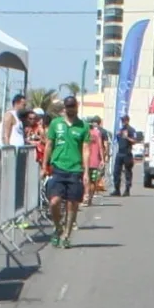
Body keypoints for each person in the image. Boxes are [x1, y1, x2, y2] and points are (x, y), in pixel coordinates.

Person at [42, 95, 90, 246]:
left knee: (72, 203)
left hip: (75, 170)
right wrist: (44, 165)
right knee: (54, 202)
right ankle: (58, 227)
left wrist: (86, 172)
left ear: (77, 106)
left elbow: (85, 149)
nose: (71, 109)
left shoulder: (83, 126)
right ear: (65, 107)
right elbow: (49, 145)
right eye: (68, 106)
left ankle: (66, 235)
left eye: (73, 106)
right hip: (58, 169)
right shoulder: (56, 124)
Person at [112, 114, 137, 197]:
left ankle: (127, 189)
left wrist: (127, 137)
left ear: (127, 120)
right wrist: (118, 134)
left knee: (127, 172)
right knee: (116, 172)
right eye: (122, 120)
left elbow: (134, 141)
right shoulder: (121, 130)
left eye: (124, 120)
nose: (122, 122)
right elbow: (117, 139)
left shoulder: (131, 130)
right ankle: (117, 189)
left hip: (127, 153)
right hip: (120, 153)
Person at [83, 118, 106, 206]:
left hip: (85, 160)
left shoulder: (84, 133)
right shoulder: (97, 133)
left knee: (86, 179)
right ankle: (90, 199)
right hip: (95, 161)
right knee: (93, 181)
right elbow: (101, 147)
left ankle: (86, 197)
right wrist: (102, 160)